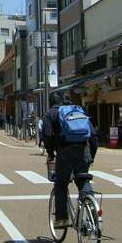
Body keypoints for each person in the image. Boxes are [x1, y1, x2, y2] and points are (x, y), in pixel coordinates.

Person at [43, 90, 98, 229]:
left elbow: (47, 135)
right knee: (83, 180)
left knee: (61, 184)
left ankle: (61, 218)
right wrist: (91, 155)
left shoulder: (51, 114)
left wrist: (50, 153)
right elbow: (93, 135)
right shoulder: (78, 111)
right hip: (83, 151)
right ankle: (91, 206)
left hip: (64, 152)